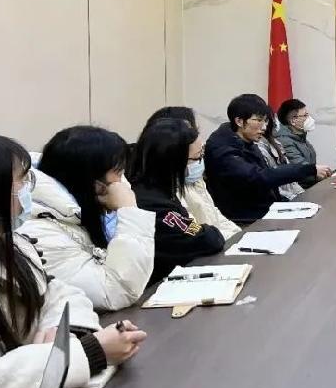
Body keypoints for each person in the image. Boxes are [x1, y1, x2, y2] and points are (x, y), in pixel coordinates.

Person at [0, 132, 146, 388]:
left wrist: (65, 333)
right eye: (21, 182)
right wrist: (87, 352)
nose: (29, 190)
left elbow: (61, 293)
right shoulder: (34, 231)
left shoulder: (11, 245)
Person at [19, 126, 155, 312]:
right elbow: (116, 291)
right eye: (118, 173)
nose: (123, 184)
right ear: (95, 184)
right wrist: (130, 210)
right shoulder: (41, 232)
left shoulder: (71, 215)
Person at [128, 119, 226, 282]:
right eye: (196, 158)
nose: (200, 163)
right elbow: (206, 238)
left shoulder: (157, 189)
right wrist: (207, 230)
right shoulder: (153, 204)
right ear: (173, 162)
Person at [205, 94, 317, 222]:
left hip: (267, 210)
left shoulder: (246, 139)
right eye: (258, 121)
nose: (264, 127)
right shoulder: (222, 148)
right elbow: (257, 177)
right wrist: (306, 170)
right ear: (239, 121)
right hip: (244, 219)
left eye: (265, 121)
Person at [141, 107, 240, 241]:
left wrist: (237, 235)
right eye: (196, 157)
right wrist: (223, 238)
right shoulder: (162, 193)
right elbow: (193, 231)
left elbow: (214, 214)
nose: (199, 162)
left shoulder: (193, 178)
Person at [276, 98, 333, 188]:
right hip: (299, 190)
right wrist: (324, 174)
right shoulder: (284, 141)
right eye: (305, 115)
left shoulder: (301, 138)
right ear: (293, 121)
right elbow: (301, 171)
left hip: (310, 186)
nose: (309, 118)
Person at [256, 109, 305, 202]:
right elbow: (271, 186)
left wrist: (302, 194)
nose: (276, 122)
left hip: (291, 197)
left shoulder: (275, 142)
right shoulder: (257, 147)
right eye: (260, 120)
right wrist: (294, 199)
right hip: (281, 201)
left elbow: (291, 179)